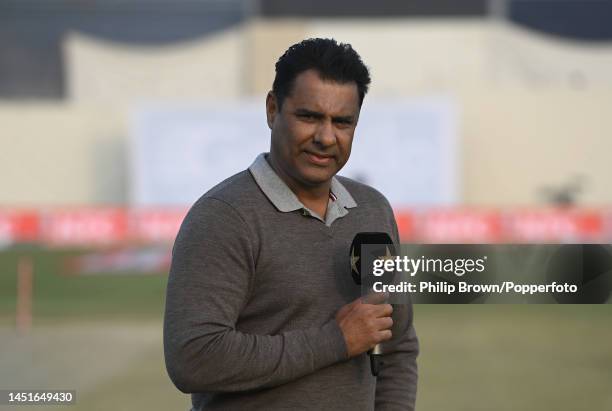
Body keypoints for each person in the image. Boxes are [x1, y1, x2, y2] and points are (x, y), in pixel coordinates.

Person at [164, 38, 418, 410]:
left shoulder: (372, 211)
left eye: (342, 122)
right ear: (272, 109)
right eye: (309, 116)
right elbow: (193, 357)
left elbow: (397, 347)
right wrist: (335, 340)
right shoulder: (223, 217)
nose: (326, 137)